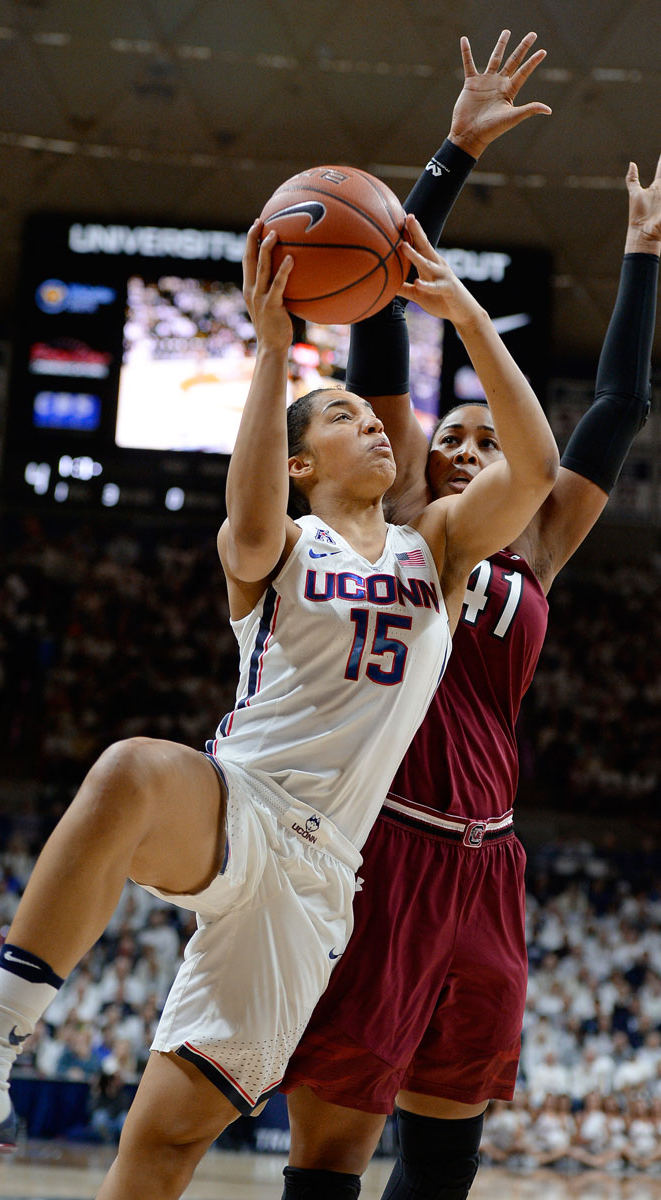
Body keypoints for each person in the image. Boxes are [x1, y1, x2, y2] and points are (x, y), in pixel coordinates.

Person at [0, 209, 559, 1195]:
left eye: (374, 415)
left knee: (162, 1143)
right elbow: (249, 510)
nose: (372, 421)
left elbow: (538, 469)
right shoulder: (281, 545)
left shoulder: (443, 549)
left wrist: (466, 315)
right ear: (300, 465)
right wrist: (272, 357)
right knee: (130, 768)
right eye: (344, 417)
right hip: (239, 805)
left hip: (320, 880)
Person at [281, 36, 661, 1200]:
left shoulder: (537, 542)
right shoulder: (399, 518)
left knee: (447, 1162)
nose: (460, 446)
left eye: (483, 442)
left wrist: (645, 255)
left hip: (488, 864)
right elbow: (379, 322)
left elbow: (617, 406)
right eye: (446, 437)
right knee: (330, 1154)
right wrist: (448, 156)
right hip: (378, 840)